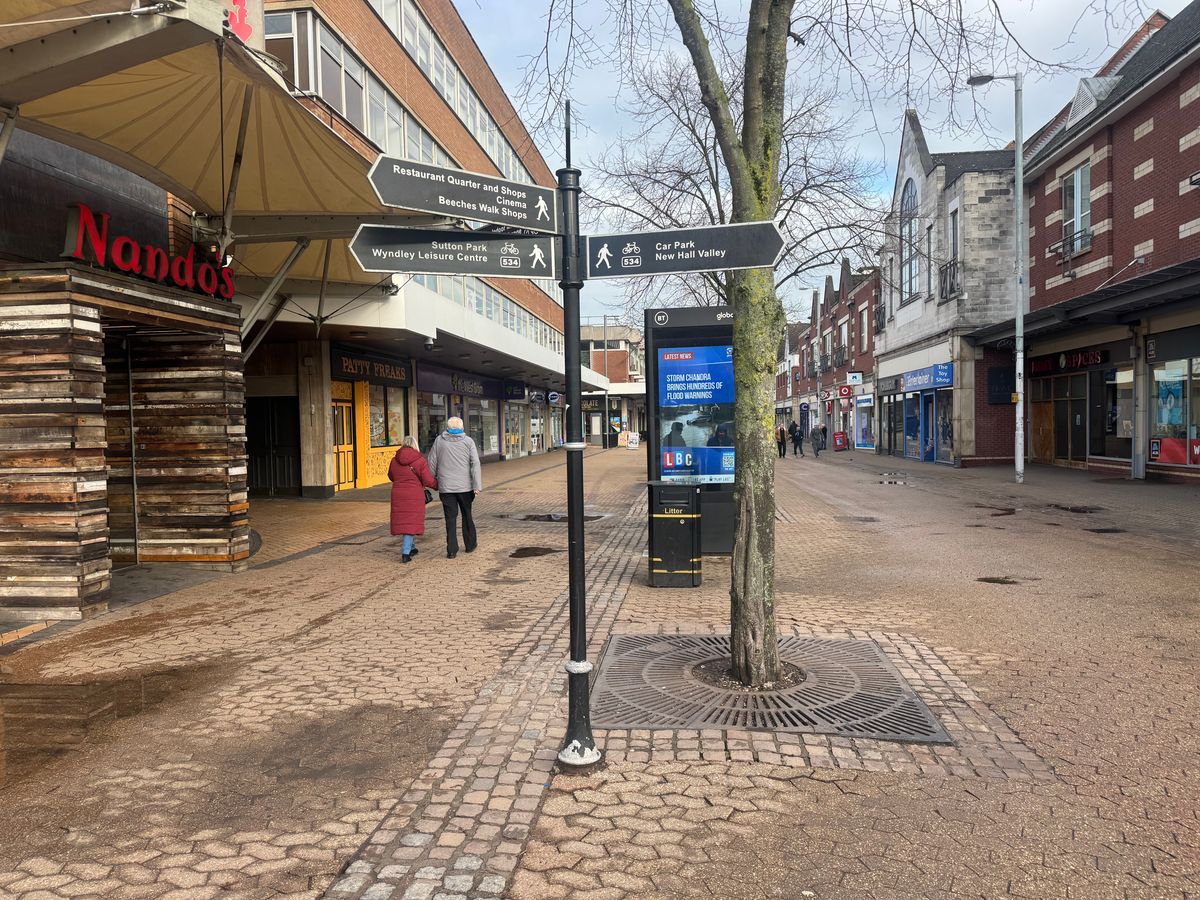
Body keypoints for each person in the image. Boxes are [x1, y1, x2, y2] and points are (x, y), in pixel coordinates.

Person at [427, 416, 482, 559]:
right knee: (466, 515)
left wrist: (432, 480)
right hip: (465, 488)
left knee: (450, 519)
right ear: (462, 427)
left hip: (446, 488)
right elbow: (475, 464)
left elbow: (432, 462)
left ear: (447, 427)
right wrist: (477, 485)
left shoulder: (439, 441)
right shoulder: (468, 442)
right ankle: (470, 545)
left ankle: (451, 550)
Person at [387, 436, 438, 564]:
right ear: (415, 445)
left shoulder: (394, 460)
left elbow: (391, 476)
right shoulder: (419, 461)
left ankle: (412, 547)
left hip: (398, 493)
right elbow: (427, 480)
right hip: (414, 495)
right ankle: (406, 552)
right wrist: (438, 485)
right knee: (410, 522)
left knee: (406, 521)